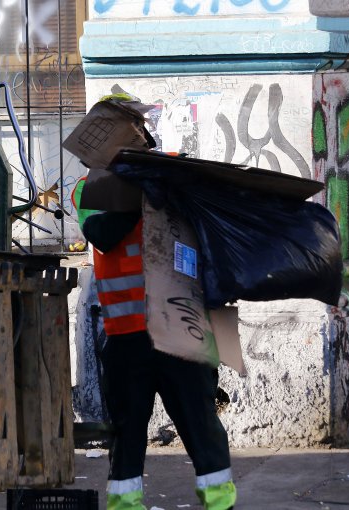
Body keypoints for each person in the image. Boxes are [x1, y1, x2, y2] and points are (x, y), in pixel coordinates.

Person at [70, 106, 237, 510]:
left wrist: (159, 181)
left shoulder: (176, 173)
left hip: (182, 324)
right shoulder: (87, 189)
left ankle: (219, 499)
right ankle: (125, 504)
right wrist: (141, 193)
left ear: (143, 137)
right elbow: (100, 233)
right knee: (127, 428)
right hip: (128, 333)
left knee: (199, 419)